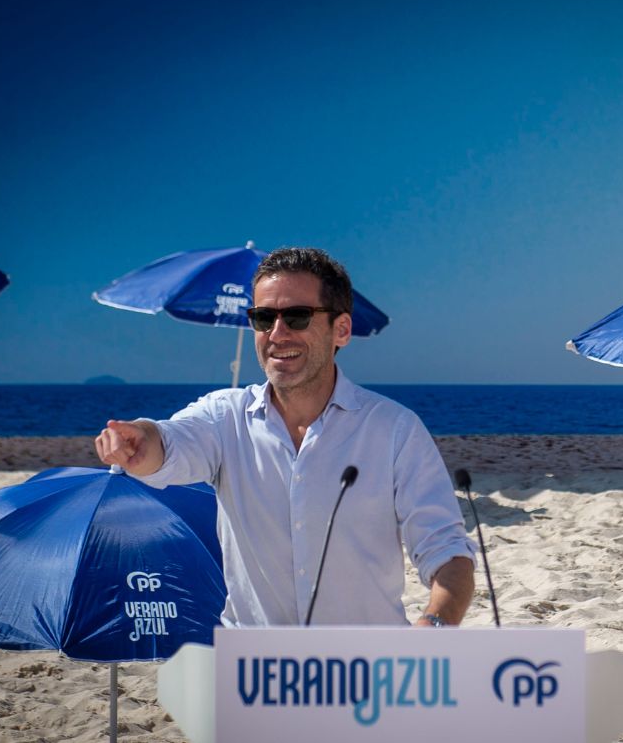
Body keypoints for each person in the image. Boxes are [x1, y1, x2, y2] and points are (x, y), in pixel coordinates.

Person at [95, 247, 475, 628]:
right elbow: (168, 442)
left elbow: (448, 552)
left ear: (341, 330)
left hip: (367, 671)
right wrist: (139, 440)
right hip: (256, 674)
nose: (277, 333)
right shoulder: (226, 416)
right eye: (263, 318)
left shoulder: (395, 430)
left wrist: (435, 625)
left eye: (296, 316)